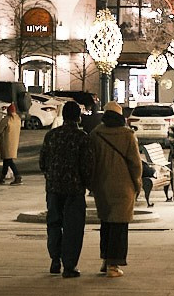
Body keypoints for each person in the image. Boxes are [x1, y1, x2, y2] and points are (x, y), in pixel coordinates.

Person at [86, 104, 142, 277]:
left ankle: (106, 259)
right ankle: (114, 265)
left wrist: (92, 184)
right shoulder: (127, 135)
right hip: (123, 187)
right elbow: (135, 164)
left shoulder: (96, 134)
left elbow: (91, 161)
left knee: (106, 223)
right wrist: (137, 184)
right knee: (119, 225)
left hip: (102, 186)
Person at [37, 101, 90, 277]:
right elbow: (86, 166)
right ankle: (69, 265)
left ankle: (54, 260)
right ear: (78, 117)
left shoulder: (51, 136)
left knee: (54, 223)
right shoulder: (81, 137)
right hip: (74, 190)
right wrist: (88, 184)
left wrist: (51, 176)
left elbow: (42, 162)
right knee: (73, 228)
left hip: (53, 188)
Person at [0, 102, 23, 184]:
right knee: (7, 160)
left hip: (6, 141)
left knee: (9, 160)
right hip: (14, 142)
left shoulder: (7, 119)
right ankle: (2, 178)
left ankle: (17, 176)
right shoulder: (18, 119)